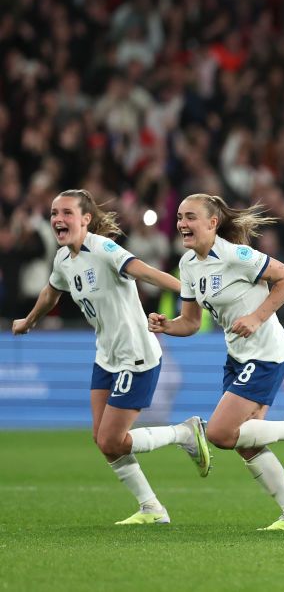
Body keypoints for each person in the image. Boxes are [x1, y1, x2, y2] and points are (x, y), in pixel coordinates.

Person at [12, 189, 211, 525]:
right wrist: (29, 321)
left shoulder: (103, 249)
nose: (58, 219)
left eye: (66, 213)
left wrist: (187, 289)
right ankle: (151, 508)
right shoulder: (63, 259)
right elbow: (50, 292)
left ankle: (184, 433)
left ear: (86, 219)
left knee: (111, 439)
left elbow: (144, 271)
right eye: (54, 213)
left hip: (136, 355)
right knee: (102, 439)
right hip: (106, 356)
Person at [148, 193, 284, 531]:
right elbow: (189, 322)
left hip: (266, 353)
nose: (182, 224)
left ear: (212, 223)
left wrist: (258, 317)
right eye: (179, 217)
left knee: (219, 433)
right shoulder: (188, 265)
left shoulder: (235, 255)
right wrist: (166, 326)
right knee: (246, 443)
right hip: (238, 357)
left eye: (190, 217)